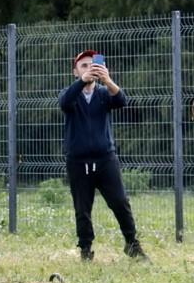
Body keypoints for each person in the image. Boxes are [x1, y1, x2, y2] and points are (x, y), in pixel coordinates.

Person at [58, 49, 147, 262]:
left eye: (93, 65)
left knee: (120, 202)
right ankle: (86, 250)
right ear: (75, 72)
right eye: (84, 66)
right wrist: (81, 82)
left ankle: (132, 244)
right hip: (78, 161)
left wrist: (107, 80)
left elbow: (122, 100)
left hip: (106, 159)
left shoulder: (103, 94)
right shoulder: (70, 93)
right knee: (82, 209)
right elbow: (64, 103)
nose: (89, 69)